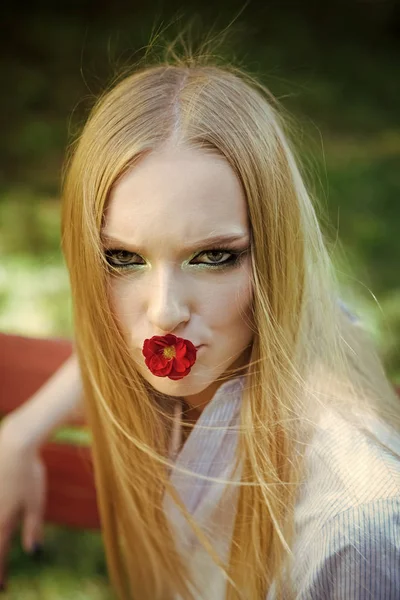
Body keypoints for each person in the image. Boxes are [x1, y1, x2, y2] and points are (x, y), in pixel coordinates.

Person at [1, 41, 400, 600]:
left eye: (214, 257)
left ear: (277, 258)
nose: (164, 311)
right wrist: (23, 430)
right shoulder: (244, 338)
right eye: (123, 258)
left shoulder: (351, 527)